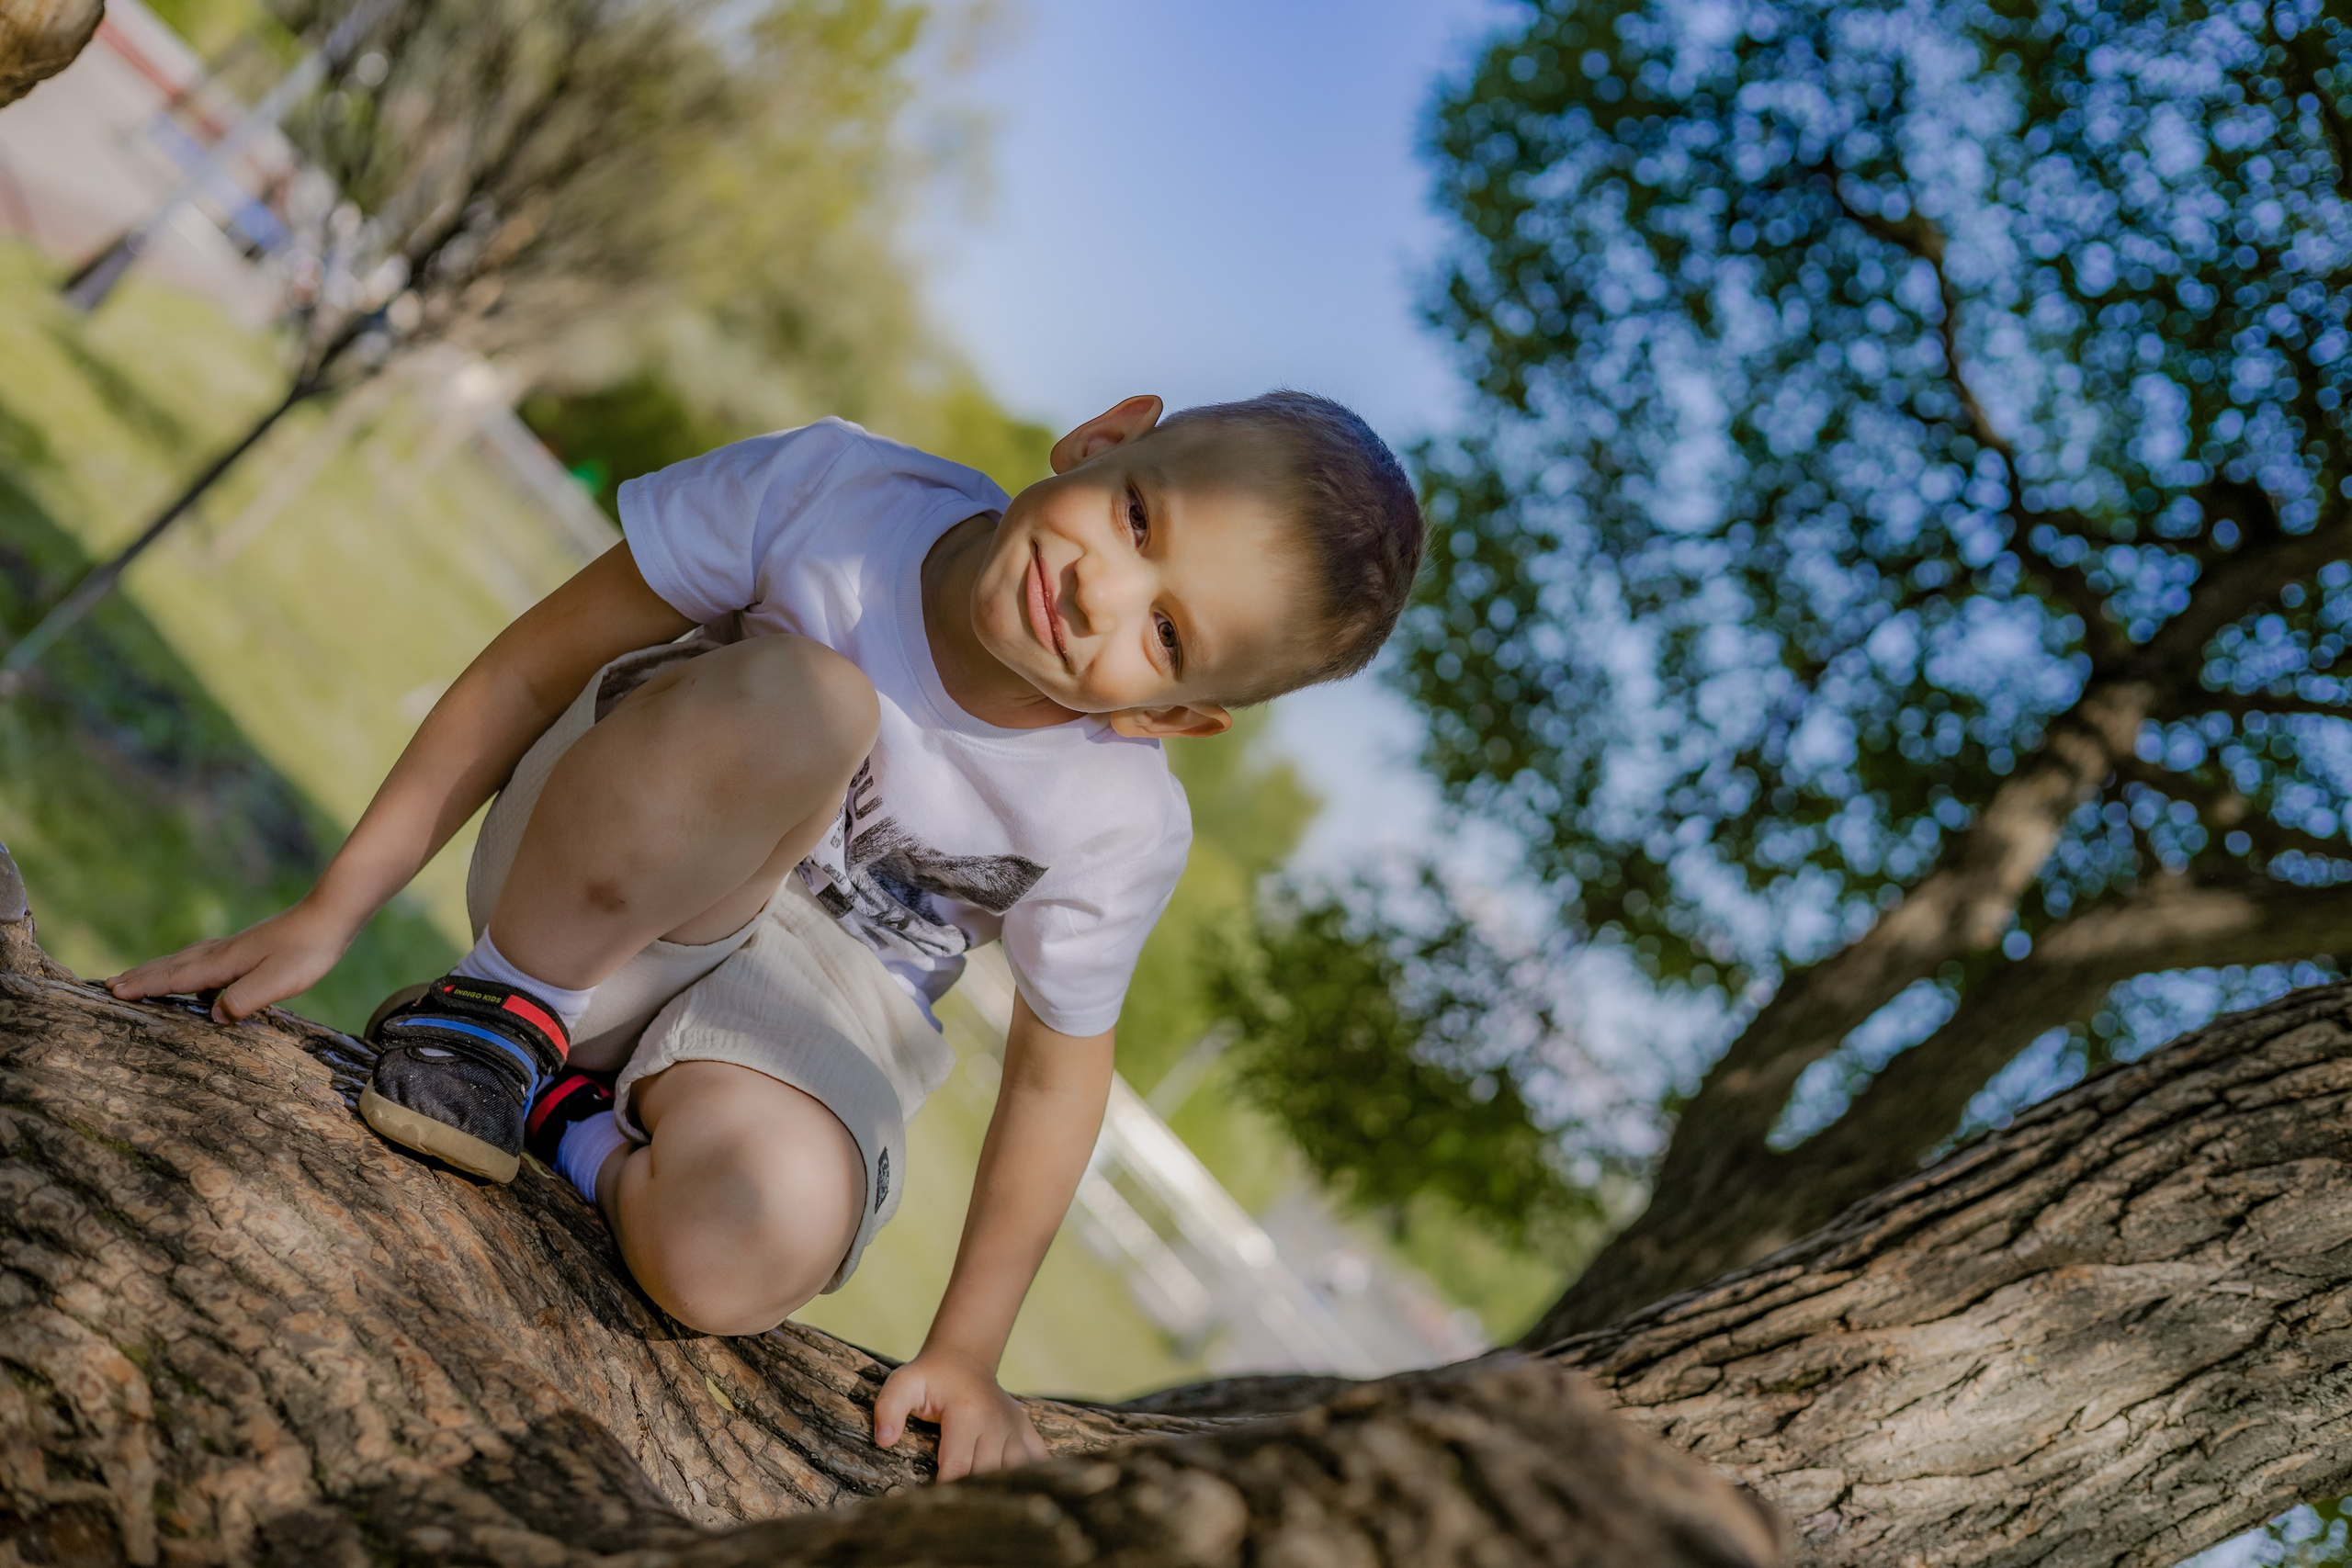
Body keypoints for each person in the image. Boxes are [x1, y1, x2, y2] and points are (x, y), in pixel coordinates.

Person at [107, 389, 1424, 1480]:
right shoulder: (834, 497)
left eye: (1168, 630)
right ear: (1102, 437)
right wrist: (335, 903)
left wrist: (968, 1350)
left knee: (747, 1251)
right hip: (621, 866)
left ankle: (573, 1119)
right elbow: (531, 666)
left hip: (812, 1005)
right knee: (815, 696)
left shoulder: (1118, 824)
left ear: (1178, 718)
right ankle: (493, 1019)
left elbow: (1055, 1076)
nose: (1102, 595)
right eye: (1139, 518)